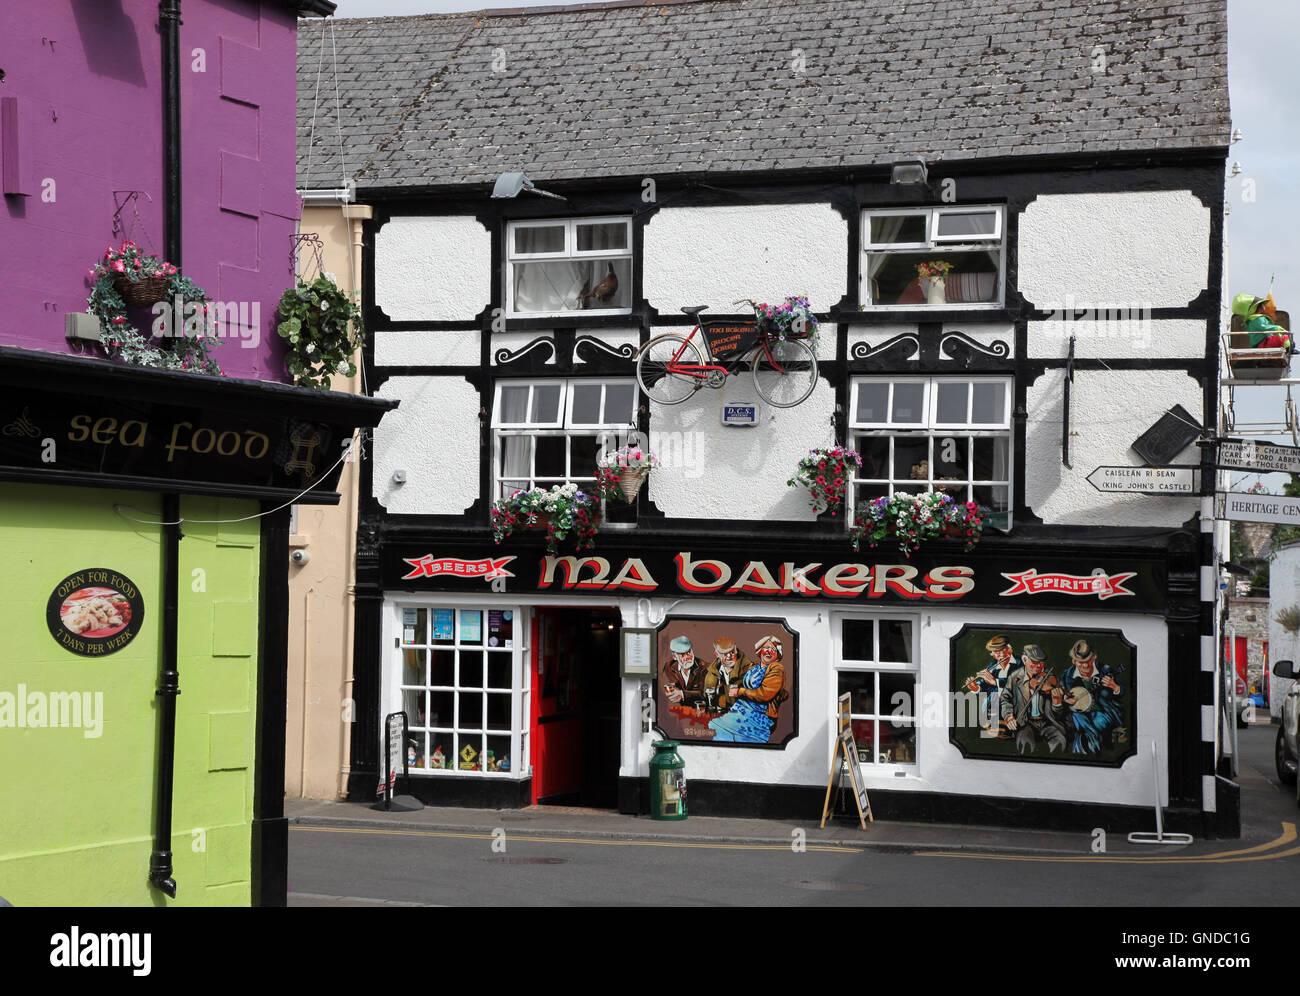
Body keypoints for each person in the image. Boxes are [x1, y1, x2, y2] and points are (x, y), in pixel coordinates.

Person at [708, 635, 788, 743]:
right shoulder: (753, 667)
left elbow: (764, 694)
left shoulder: (776, 668)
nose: (769, 652)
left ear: (777, 654)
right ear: (760, 651)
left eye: (773, 650)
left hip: (759, 714)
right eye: (766, 648)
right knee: (718, 729)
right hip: (741, 709)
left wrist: (740, 691)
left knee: (738, 736)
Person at [1000, 644, 1067, 754]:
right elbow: (1005, 698)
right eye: (1035, 662)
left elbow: (1058, 714)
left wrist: (1057, 704)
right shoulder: (1014, 677)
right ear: (1025, 660)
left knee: (1059, 742)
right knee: (1025, 744)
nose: (1039, 666)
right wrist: (1008, 716)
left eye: (1042, 663)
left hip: (1047, 722)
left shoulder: (1050, 678)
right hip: (1025, 723)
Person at [1061, 639, 1123, 753]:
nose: (1085, 665)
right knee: (1077, 717)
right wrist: (1066, 698)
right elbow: (1062, 692)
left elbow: (1122, 691)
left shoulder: (1105, 670)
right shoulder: (1068, 675)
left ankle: (1082, 754)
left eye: (1088, 661)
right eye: (1080, 662)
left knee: (1091, 726)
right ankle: (1094, 751)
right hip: (1079, 715)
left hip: (1103, 712)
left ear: (1094, 657)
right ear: (1074, 661)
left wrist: (1115, 687)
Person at [964, 635, 1021, 735]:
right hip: (993, 712)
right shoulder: (993, 666)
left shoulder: (1020, 664)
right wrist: (976, 687)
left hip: (1013, 709)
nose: (997, 656)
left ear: (1009, 649)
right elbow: (985, 685)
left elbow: (1019, 687)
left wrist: (996, 682)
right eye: (994, 653)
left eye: (999, 652)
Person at [703, 636, 752, 714]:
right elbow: (706, 698)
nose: (729, 657)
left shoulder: (748, 670)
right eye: (724, 654)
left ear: (736, 651)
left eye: (732, 652)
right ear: (716, 654)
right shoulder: (712, 673)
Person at [661, 635, 708, 709]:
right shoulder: (669, 666)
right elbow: (665, 685)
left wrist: (682, 694)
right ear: (674, 656)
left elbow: (705, 693)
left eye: (689, 652)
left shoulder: (704, 667)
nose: (688, 658)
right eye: (682, 655)